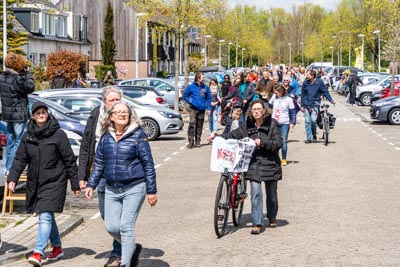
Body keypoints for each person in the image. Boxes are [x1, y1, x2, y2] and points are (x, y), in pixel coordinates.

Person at [7, 101, 81, 267]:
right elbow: (20, 158)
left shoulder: (58, 134)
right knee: (46, 216)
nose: (41, 115)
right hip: (36, 182)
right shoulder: (28, 135)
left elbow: (69, 160)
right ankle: (57, 248)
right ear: (33, 116)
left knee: (45, 215)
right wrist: (13, 178)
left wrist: (75, 184)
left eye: (44, 112)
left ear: (48, 114)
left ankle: (38, 252)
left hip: (55, 181)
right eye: (38, 113)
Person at [85, 101, 157, 267]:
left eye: (125, 112)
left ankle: (125, 262)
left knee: (125, 226)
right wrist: (91, 184)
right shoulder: (105, 137)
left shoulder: (138, 135)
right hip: (112, 189)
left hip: (134, 187)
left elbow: (148, 164)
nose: (122, 114)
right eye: (118, 112)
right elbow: (99, 163)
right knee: (111, 227)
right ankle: (131, 247)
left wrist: (151, 191)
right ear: (111, 117)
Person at [209, 100, 283, 234]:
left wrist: (263, 142)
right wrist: (218, 138)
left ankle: (272, 216)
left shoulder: (272, 125)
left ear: (264, 111)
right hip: (253, 163)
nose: (256, 111)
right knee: (256, 193)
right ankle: (257, 223)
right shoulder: (246, 125)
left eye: (259, 109)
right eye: (254, 109)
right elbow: (232, 135)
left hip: (270, 164)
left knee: (271, 194)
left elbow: (278, 143)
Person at [78, 86, 123, 267]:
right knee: (107, 216)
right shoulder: (95, 115)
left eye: (118, 99)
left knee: (117, 215)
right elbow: (86, 145)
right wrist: (82, 175)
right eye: (111, 100)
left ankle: (117, 253)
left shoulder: (125, 115)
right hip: (100, 170)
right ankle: (125, 242)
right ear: (104, 102)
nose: (115, 103)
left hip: (121, 171)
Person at [0, 53, 35, 173]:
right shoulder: (17, 79)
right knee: (19, 141)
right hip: (18, 114)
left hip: (7, 115)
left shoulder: (2, 77)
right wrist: (28, 75)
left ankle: (8, 169)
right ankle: (13, 168)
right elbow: (30, 87)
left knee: (10, 141)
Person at [301, 69, 335, 143]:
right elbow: (302, 94)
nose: (306, 75)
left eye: (308, 74)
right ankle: (308, 138)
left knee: (313, 120)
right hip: (306, 104)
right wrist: (302, 104)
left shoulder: (319, 82)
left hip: (315, 104)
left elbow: (325, 91)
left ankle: (314, 134)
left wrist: (331, 100)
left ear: (313, 76)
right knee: (307, 121)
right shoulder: (305, 82)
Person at [269, 85, 297, 166]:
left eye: (276, 92)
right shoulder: (274, 98)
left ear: (281, 92)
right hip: (274, 122)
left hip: (284, 123)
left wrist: (293, 123)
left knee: (283, 141)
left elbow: (292, 112)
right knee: (274, 141)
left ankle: (284, 159)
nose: (275, 93)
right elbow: (268, 105)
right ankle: (276, 157)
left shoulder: (289, 100)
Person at [183, 72, 211, 148]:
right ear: (198, 78)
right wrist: (190, 101)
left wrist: (208, 108)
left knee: (199, 125)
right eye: (202, 78)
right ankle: (191, 141)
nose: (204, 79)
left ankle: (198, 140)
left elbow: (209, 98)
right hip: (193, 109)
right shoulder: (191, 87)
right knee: (192, 123)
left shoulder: (206, 87)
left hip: (202, 109)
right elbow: (185, 96)